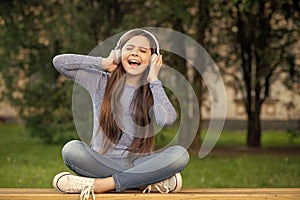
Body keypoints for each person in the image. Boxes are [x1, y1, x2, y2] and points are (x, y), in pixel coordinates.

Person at [52, 29, 190, 200]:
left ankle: (101, 184)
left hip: (138, 162)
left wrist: (154, 79)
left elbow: (167, 119)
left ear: (153, 59)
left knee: (180, 155)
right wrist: (104, 62)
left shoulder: (153, 90)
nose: (134, 53)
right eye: (129, 48)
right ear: (119, 53)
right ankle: (144, 182)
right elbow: (60, 62)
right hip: (101, 161)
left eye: (142, 50)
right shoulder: (101, 82)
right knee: (71, 150)